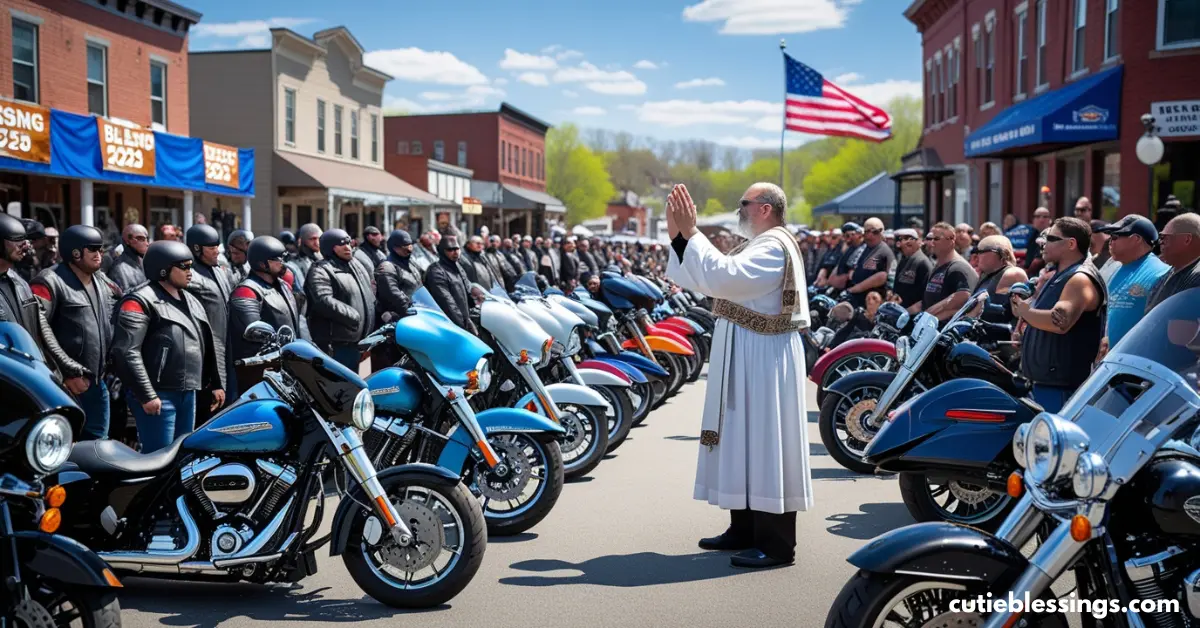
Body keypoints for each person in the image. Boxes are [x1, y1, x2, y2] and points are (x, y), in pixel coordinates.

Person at [665, 181, 811, 570]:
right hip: (747, 355)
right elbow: (704, 278)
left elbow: (726, 277)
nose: (738, 210)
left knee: (764, 443)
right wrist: (680, 238)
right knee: (742, 442)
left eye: (742, 204)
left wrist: (692, 233)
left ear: (764, 208)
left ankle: (776, 544)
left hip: (765, 359)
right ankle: (743, 528)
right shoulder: (759, 244)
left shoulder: (773, 246)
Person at [111, 241, 224, 452]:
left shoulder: (190, 299)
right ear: (163, 269)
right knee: (157, 458)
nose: (190, 272)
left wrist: (215, 383)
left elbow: (206, 342)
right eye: (183, 266)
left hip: (188, 392)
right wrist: (147, 395)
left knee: (182, 455)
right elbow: (126, 351)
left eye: (190, 265)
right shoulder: (139, 301)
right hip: (159, 394)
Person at [32, 226, 120, 440]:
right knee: (64, 447)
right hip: (67, 384)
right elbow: (37, 329)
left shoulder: (103, 282)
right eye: (93, 249)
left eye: (100, 248)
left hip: (98, 381)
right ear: (75, 252)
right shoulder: (49, 280)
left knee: (98, 446)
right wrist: (66, 372)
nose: (99, 254)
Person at [1011, 217, 1107, 413]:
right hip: (1046, 383)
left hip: (1063, 388)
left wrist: (1025, 312)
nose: (1043, 243)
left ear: (1071, 244)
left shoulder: (1080, 278)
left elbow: (1059, 322)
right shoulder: (1059, 275)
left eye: (1052, 238)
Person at [0, 214, 89, 380]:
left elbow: (41, 324)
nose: (25, 245)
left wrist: (66, 364)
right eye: (16, 239)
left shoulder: (20, 283)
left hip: (29, 375)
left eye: (25, 239)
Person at [230, 236, 304, 388]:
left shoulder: (283, 285)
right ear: (262, 263)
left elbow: (296, 324)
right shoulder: (246, 291)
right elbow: (254, 334)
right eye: (277, 259)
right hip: (263, 373)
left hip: (288, 367)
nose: (282, 263)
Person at [185, 224, 236, 421]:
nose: (217, 250)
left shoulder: (220, 271)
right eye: (211, 247)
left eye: (217, 245)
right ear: (197, 249)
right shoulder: (190, 276)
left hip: (226, 348)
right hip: (205, 352)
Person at [305, 229, 376, 371]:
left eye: (348, 243)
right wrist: (354, 316)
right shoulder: (320, 270)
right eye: (341, 244)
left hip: (361, 341)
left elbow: (369, 292)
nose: (347, 248)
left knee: (358, 386)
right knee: (340, 387)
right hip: (337, 344)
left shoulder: (356, 265)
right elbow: (323, 300)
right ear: (330, 247)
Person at [1096, 216, 1168, 349]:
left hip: (1137, 361)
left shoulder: (1161, 273)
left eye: (1115, 236)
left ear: (1136, 239)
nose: (1110, 241)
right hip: (1110, 361)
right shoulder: (1113, 268)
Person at [921, 222, 978, 322]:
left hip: (946, 333)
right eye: (930, 239)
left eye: (936, 239)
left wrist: (929, 314)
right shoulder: (938, 265)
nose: (932, 243)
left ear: (951, 239)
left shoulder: (958, 267)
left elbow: (963, 296)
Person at [1145, 213, 1200, 312]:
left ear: (1187, 239)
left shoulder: (1197, 276)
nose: (1160, 243)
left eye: (1163, 237)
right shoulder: (1168, 274)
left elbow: (1185, 322)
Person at [424, 234, 477, 333]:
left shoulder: (458, 266)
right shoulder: (436, 271)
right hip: (448, 325)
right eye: (450, 250)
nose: (455, 252)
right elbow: (447, 302)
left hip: (465, 320)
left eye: (457, 249)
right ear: (442, 251)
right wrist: (463, 325)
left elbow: (469, 291)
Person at [970, 235, 1027, 324]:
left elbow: (1001, 313)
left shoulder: (1012, 273)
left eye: (980, 251)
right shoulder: (989, 275)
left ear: (1000, 253)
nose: (976, 256)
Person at [843, 217, 894, 308]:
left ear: (881, 233)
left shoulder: (884, 251)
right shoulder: (866, 249)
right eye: (867, 232)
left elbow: (883, 276)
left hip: (873, 303)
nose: (870, 235)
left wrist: (854, 289)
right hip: (858, 301)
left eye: (875, 232)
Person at [891, 228, 933, 313]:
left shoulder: (923, 263)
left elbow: (927, 297)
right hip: (900, 313)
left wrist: (908, 312)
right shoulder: (903, 261)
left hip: (913, 316)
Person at [109, 224, 149, 292]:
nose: (147, 243)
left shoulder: (143, 261)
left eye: (147, 239)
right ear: (128, 240)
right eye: (141, 239)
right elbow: (124, 295)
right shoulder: (120, 267)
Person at [828, 224, 864, 290]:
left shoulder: (863, 249)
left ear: (859, 235)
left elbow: (850, 276)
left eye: (849, 235)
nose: (847, 239)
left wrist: (835, 280)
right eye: (845, 236)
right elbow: (832, 278)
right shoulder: (849, 249)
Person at [1022, 207, 1052, 275]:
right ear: (1033, 219)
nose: (1041, 220)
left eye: (1045, 217)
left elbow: (1038, 261)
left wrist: (1026, 272)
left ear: (1050, 220)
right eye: (1038, 216)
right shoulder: (1032, 233)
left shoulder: (1050, 234)